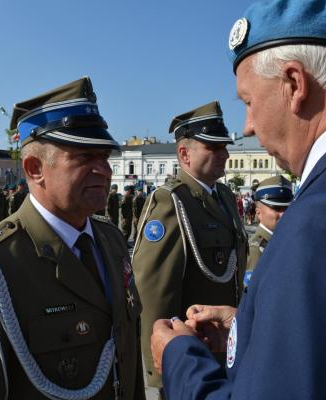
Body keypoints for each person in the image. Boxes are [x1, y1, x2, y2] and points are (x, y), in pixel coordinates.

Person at [151, 1, 326, 398]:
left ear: (294, 84)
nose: (248, 127)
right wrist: (250, 329)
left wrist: (178, 356)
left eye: (249, 102)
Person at [0, 77, 145, 399]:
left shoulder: (109, 240)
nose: (104, 170)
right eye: (84, 158)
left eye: (104, 157)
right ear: (35, 168)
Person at [132, 101, 248, 399]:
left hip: (224, 347)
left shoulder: (223, 197)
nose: (224, 154)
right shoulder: (171, 202)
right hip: (190, 354)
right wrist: (161, 368)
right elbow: (154, 289)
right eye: (213, 148)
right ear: (184, 154)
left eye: (224, 147)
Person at [245, 175, 293, 280]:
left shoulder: (282, 240)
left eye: (287, 208)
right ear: (258, 213)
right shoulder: (256, 250)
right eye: (277, 208)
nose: (284, 214)